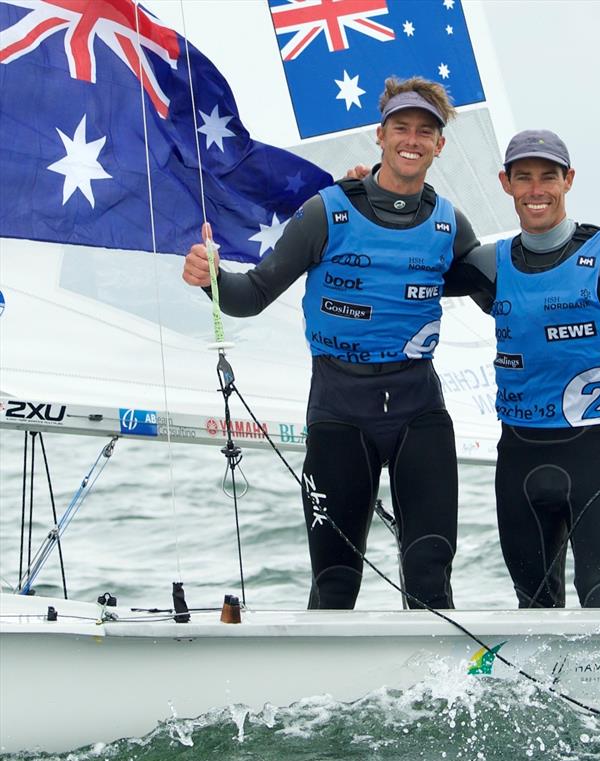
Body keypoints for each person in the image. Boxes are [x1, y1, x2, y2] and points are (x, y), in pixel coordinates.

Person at [182, 77, 480, 610]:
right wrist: (212, 279)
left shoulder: (449, 225)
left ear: (440, 145)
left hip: (420, 412)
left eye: (425, 131)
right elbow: (250, 296)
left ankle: (443, 691)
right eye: (401, 128)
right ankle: (324, 694)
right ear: (380, 136)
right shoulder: (327, 211)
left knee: (431, 577)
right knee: (336, 583)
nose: (412, 139)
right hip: (339, 412)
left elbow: (505, 295)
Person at [449, 130, 600, 608]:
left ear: (568, 180)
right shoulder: (489, 263)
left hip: (598, 458)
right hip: (519, 459)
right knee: (533, 609)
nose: (537, 189)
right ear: (506, 183)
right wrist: (376, 191)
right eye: (524, 177)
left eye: (548, 177)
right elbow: (411, 266)